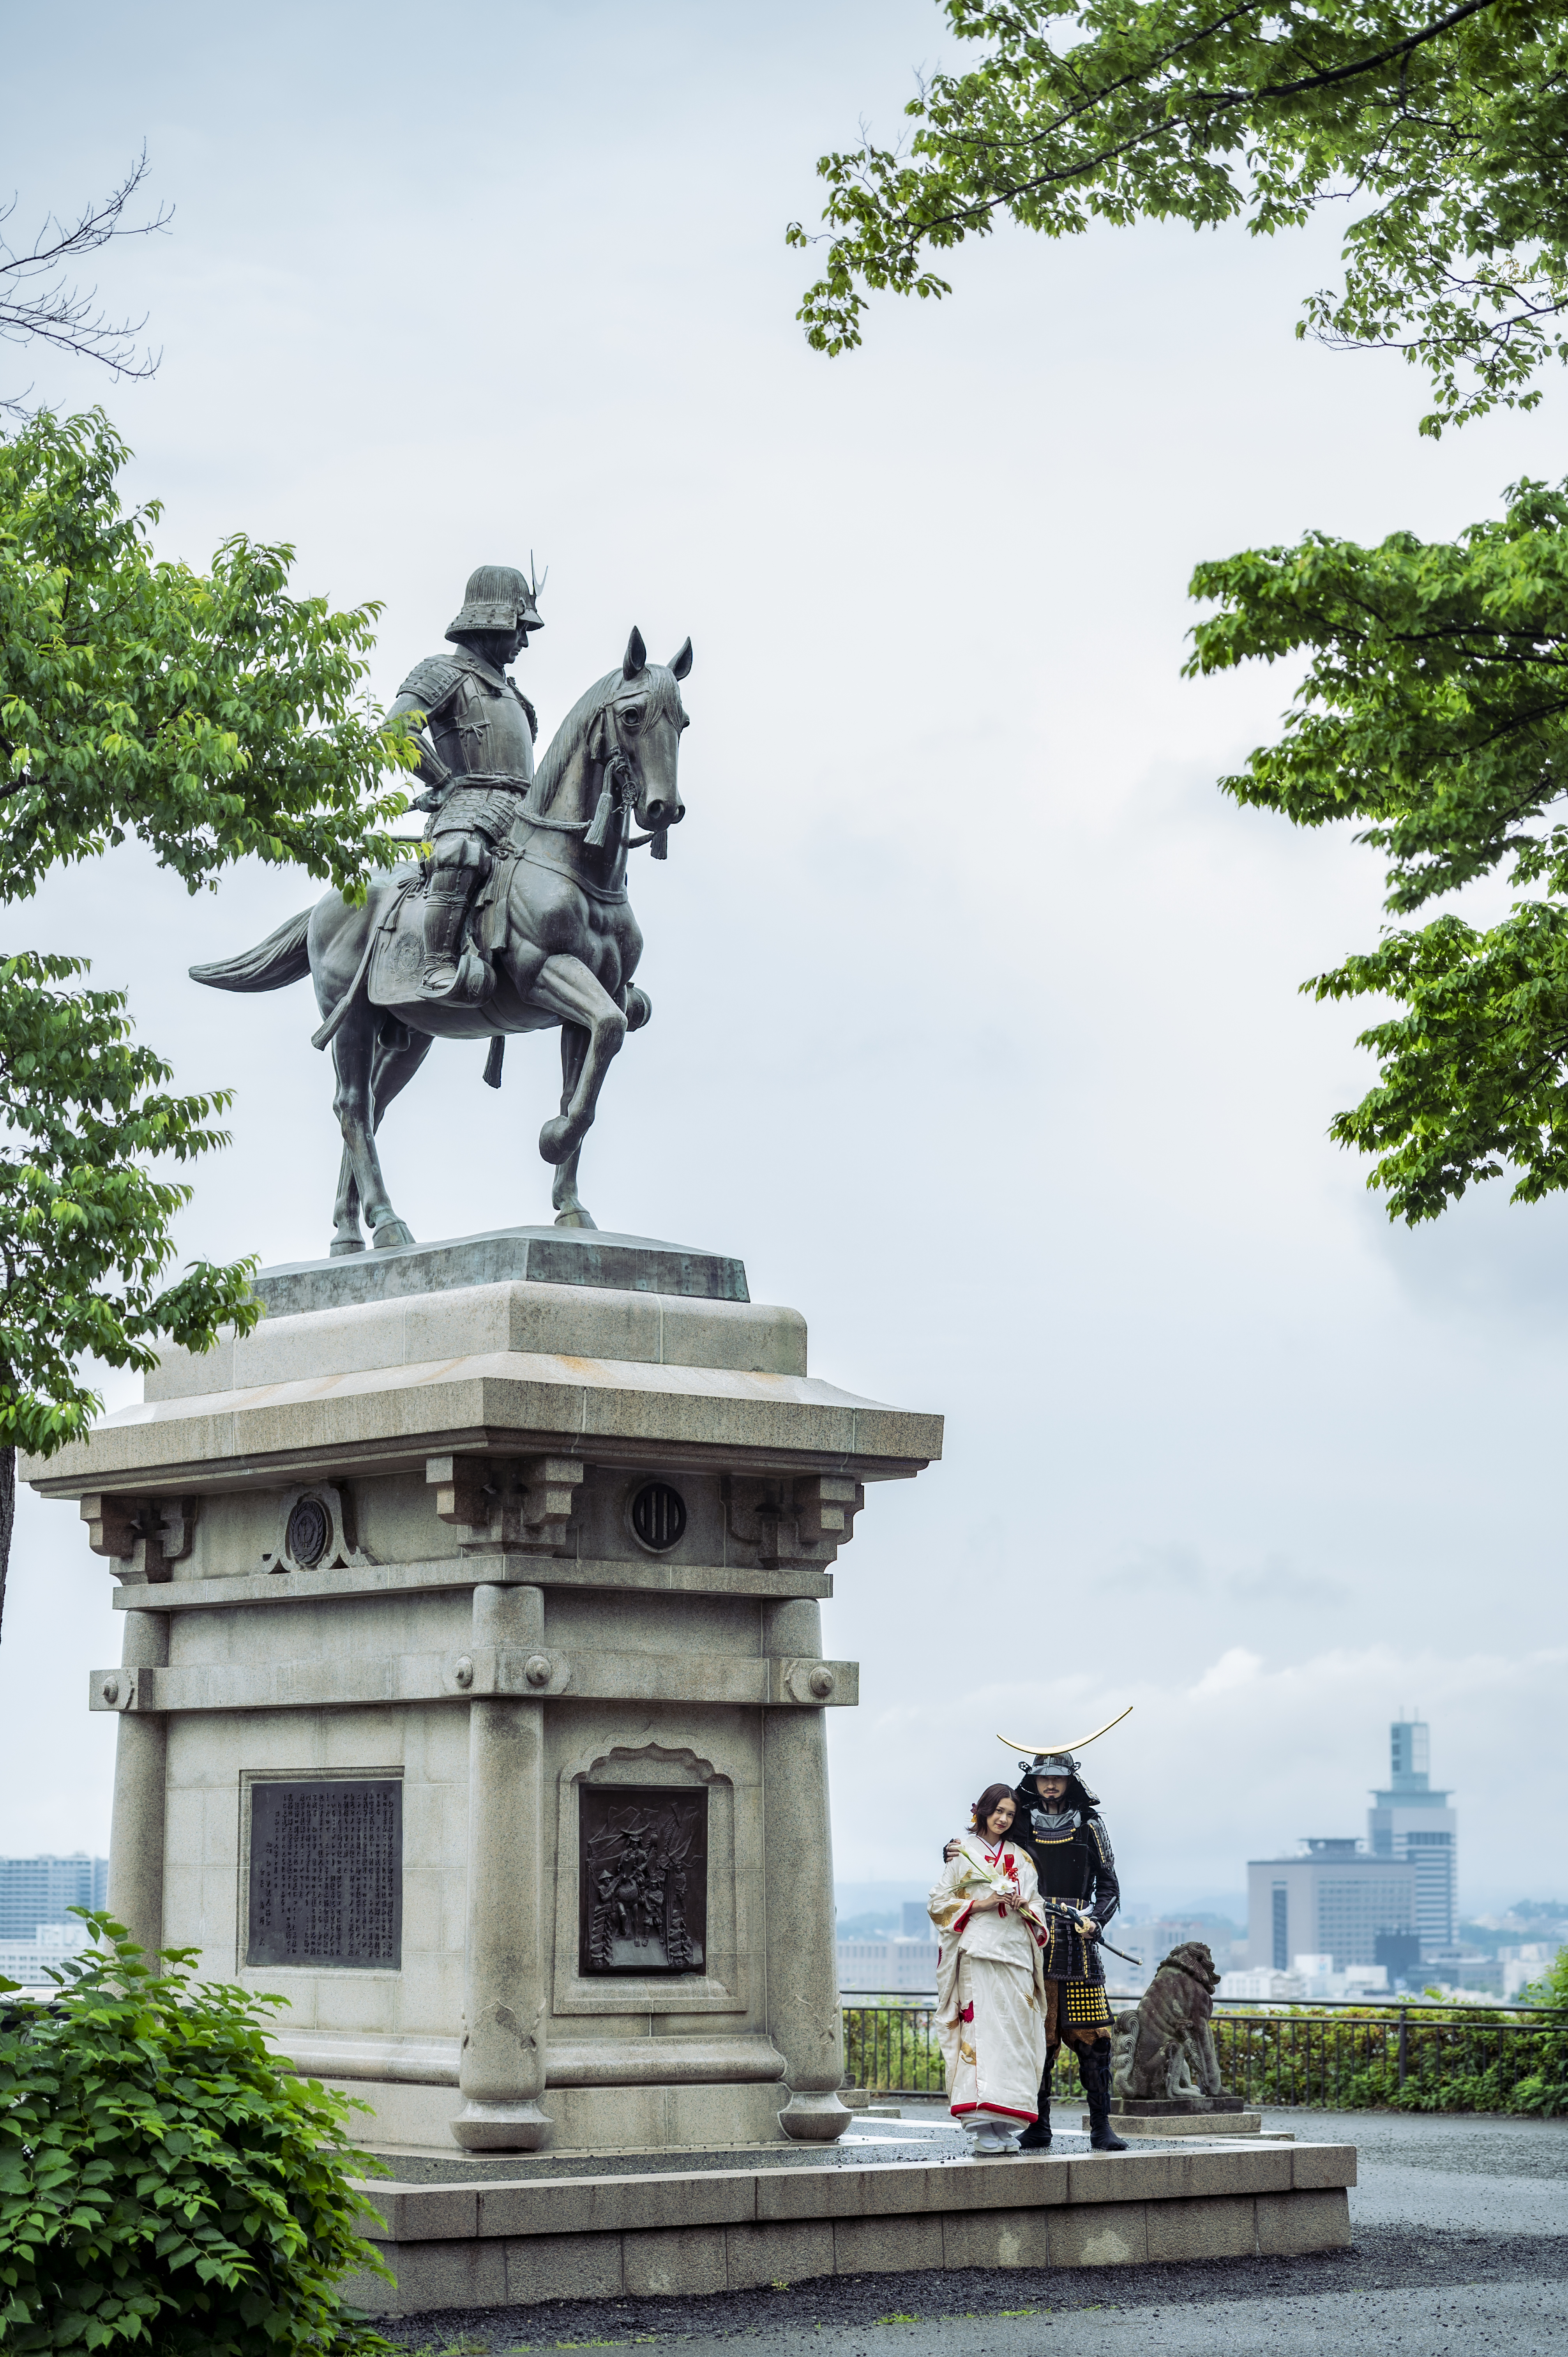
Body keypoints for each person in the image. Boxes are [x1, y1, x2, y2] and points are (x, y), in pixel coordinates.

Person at [944, 1740, 1128, 2152]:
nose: (1050, 1785)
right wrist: (952, 1850)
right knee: (1033, 2037)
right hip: (1029, 1940)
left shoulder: (1090, 1825)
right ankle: (1037, 2125)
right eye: (1043, 1777)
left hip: (1079, 1946)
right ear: (1034, 1780)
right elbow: (986, 1850)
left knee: (1095, 2042)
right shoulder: (1020, 1822)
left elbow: (1109, 1885)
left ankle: (1101, 2127)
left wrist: (1096, 1920)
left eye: (1058, 1778)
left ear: (1070, 1781)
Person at [383, 564, 546, 1001]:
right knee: (461, 854)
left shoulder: (515, 694)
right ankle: (436, 963)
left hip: (526, 806)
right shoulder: (443, 672)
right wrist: (441, 780)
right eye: (519, 628)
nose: (524, 641)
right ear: (494, 622)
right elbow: (396, 731)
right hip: (470, 802)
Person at [928, 1782, 1050, 2156]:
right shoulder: (961, 1853)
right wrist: (982, 1904)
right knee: (982, 2036)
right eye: (998, 1811)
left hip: (1016, 1956)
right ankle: (982, 2123)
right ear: (983, 1810)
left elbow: (1038, 1905)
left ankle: (1005, 2122)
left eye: (1010, 1814)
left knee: (1016, 2038)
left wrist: (1024, 1905)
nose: (1003, 1819)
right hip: (979, 1953)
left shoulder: (1022, 1858)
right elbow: (938, 1904)